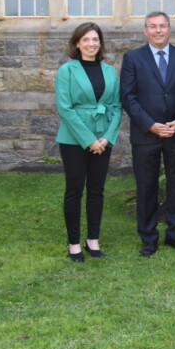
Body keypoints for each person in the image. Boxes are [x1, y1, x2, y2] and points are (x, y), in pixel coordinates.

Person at [120, 12, 175, 258]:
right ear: (145, 30)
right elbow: (128, 96)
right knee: (146, 187)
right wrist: (150, 124)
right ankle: (148, 238)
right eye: (153, 26)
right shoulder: (132, 58)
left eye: (162, 26)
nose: (158, 30)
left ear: (170, 29)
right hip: (146, 135)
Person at [55, 22, 122, 262]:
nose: (91, 44)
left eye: (95, 39)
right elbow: (65, 108)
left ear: (100, 43)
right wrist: (89, 140)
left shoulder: (109, 71)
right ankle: (73, 243)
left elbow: (116, 106)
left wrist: (106, 138)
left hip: (103, 140)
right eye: (86, 40)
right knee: (74, 190)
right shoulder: (67, 71)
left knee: (97, 190)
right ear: (77, 43)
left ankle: (92, 239)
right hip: (73, 139)